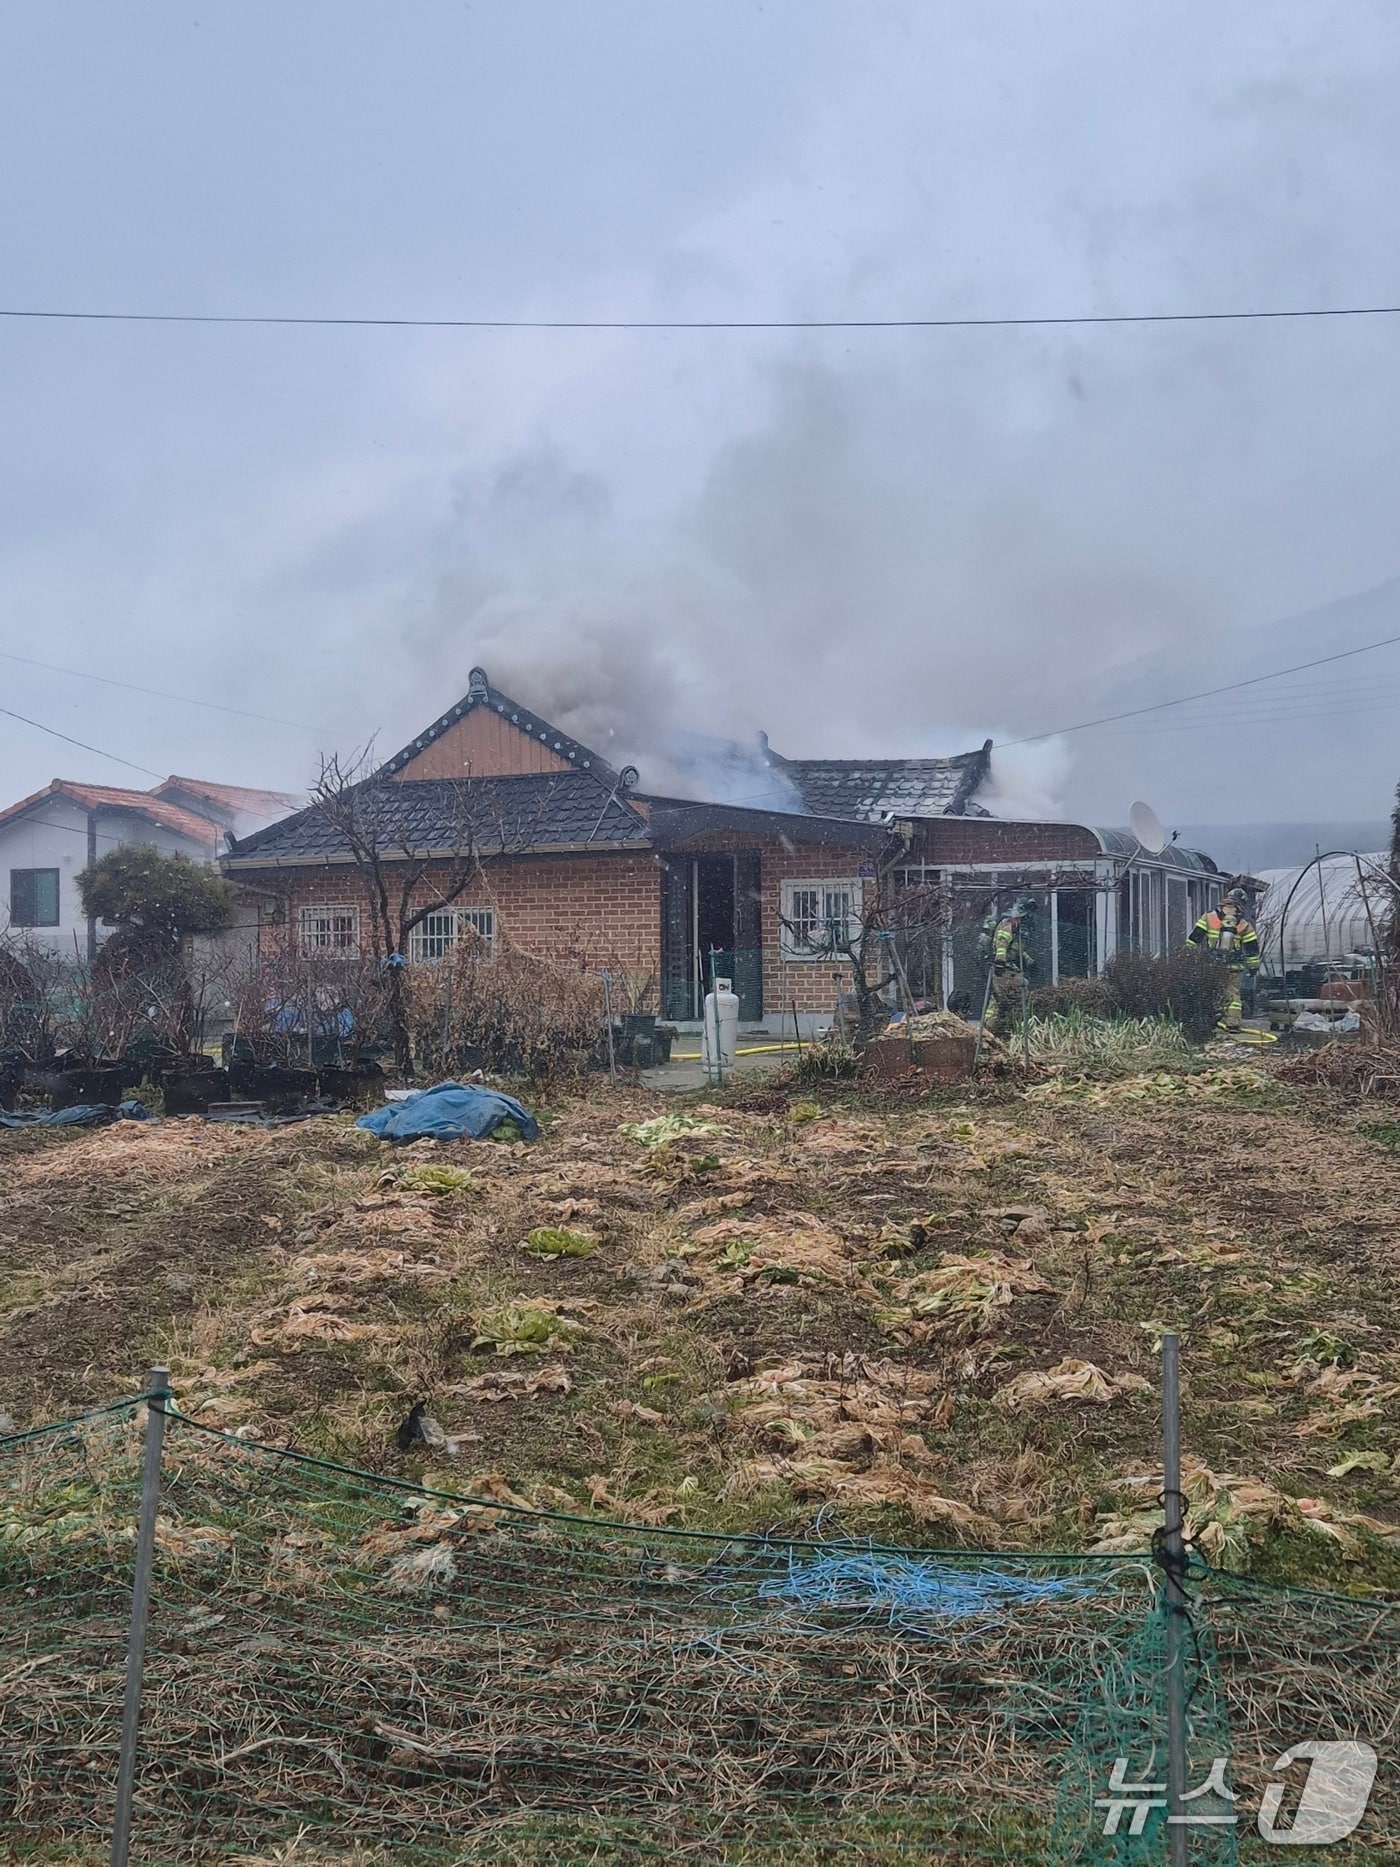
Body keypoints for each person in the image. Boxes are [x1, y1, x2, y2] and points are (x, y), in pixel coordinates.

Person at [1186, 888, 1261, 1032]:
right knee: (1232, 995)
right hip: (1233, 967)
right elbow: (1252, 949)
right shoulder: (1243, 924)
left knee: (1210, 990)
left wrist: (1187, 956)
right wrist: (1253, 967)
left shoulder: (1209, 917)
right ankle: (1233, 1024)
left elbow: (1194, 938)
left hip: (1212, 965)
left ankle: (1210, 1021)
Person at [987, 896, 1037, 1037]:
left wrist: (1029, 961)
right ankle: (993, 1028)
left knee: (1001, 999)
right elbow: (1002, 943)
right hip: (1004, 971)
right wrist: (1000, 961)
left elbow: (1017, 950)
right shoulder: (1008, 927)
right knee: (1014, 995)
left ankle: (999, 1028)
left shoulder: (1018, 932)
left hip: (1010, 969)